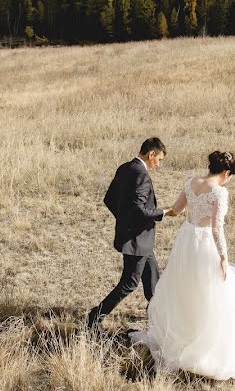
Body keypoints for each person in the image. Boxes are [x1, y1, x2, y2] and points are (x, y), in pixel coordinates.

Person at [129, 151, 235, 380]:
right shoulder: (219, 193)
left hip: (186, 239)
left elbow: (177, 209)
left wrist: (155, 214)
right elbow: (216, 229)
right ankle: (203, 345)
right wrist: (223, 257)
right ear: (225, 173)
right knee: (209, 292)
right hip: (204, 243)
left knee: (184, 288)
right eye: (230, 175)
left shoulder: (191, 181)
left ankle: (181, 335)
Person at [87, 137, 175, 330]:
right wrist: (165, 212)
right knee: (129, 283)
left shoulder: (125, 168)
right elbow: (140, 211)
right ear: (151, 154)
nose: (158, 165)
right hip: (137, 240)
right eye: (159, 160)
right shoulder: (142, 175)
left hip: (141, 240)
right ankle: (95, 316)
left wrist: (124, 220)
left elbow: (109, 199)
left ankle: (159, 320)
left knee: (152, 282)